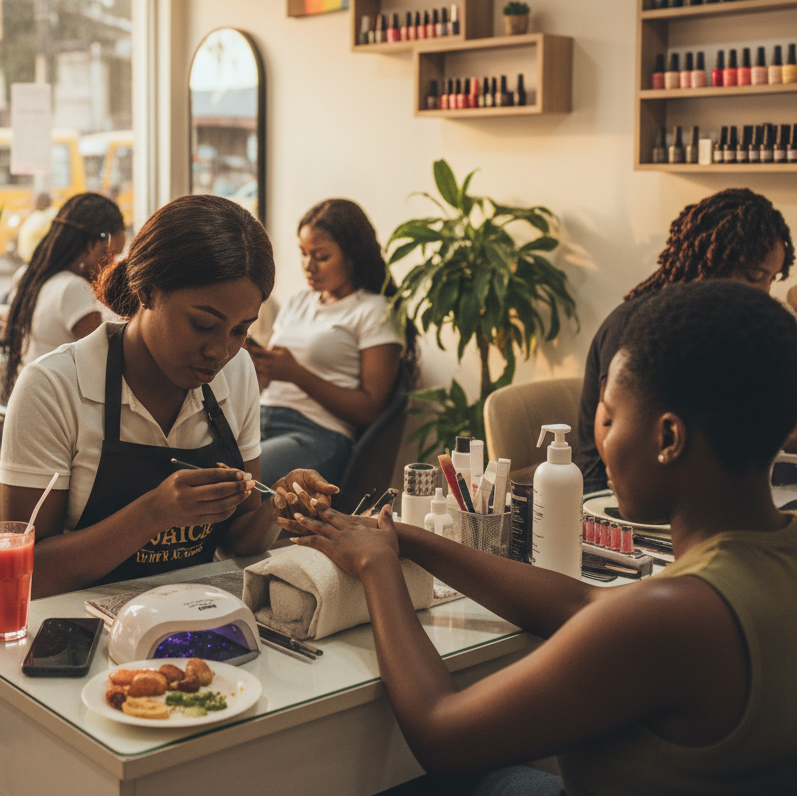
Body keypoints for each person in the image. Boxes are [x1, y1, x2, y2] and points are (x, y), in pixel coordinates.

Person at [288, 281, 797, 795]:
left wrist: (378, 570)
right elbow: (585, 604)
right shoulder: (763, 563)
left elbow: (441, 734)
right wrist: (407, 538)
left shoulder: (672, 617)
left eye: (610, 416)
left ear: (668, 438)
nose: (597, 438)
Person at [0, 194, 337, 598]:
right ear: (146, 292)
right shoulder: (54, 387)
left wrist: (275, 509)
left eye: (239, 330)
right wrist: (154, 513)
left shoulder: (237, 371)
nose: (220, 351)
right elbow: (27, 574)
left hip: (196, 614)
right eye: (202, 324)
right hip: (78, 631)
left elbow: (237, 543)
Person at [577, 188, 793, 491]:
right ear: (710, 262)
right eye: (755, 276)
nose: (765, 293)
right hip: (617, 495)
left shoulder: (725, 330)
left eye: (772, 279)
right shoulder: (639, 325)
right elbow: (622, 446)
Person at [247, 198, 414, 486]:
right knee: (201, 471)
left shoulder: (375, 310)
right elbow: (267, 381)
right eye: (303, 254)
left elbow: (371, 407)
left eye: (321, 256)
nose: (308, 266)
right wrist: (253, 362)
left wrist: (296, 374)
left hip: (315, 434)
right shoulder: (298, 301)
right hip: (257, 422)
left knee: (238, 481)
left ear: (352, 256)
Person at [1, 192, 127, 402]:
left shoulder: (27, 277)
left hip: (32, 403)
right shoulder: (73, 289)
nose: (112, 265)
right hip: (57, 413)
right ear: (92, 244)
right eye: (112, 254)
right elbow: (108, 364)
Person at [16, 191, 58, 264]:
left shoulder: (51, 214)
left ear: (43, 202)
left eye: (35, 201)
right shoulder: (38, 214)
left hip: (40, 261)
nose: (33, 203)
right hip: (30, 260)